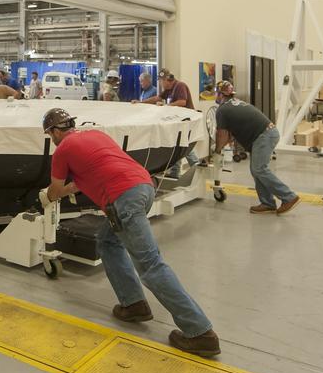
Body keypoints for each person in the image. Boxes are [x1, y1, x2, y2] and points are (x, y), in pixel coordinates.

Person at [42, 108, 220, 357]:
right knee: (108, 242)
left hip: (122, 200)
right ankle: (133, 303)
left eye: (50, 135)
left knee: (150, 265)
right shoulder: (95, 135)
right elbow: (95, 172)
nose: (52, 140)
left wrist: (46, 197)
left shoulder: (62, 150)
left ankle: (200, 332)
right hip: (143, 187)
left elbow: (56, 189)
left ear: (55, 131)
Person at [213, 81, 298, 215]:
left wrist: (217, 151)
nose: (215, 97)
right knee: (256, 170)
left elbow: (222, 135)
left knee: (259, 169)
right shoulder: (236, 103)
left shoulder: (222, 109)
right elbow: (229, 135)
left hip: (263, 135)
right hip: (267, 133)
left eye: (215, 93)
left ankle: (288, 196)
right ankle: (267, 203)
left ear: (220, 94)